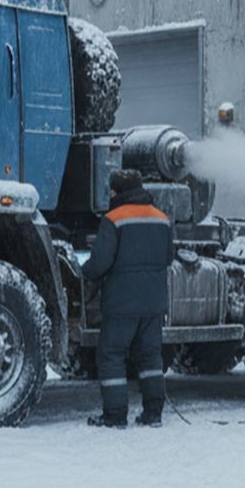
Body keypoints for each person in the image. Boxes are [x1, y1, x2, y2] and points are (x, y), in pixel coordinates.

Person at [80, 169, 175, 428]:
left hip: (121, 303)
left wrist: (83, 271)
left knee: (112, 355)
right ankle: (153, 413)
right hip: (154, 302)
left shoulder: (113, 219)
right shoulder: (162, 219)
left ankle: (115, 415)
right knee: (150, 356)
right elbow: (169, 257)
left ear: (116, 191)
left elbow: (100, 263)